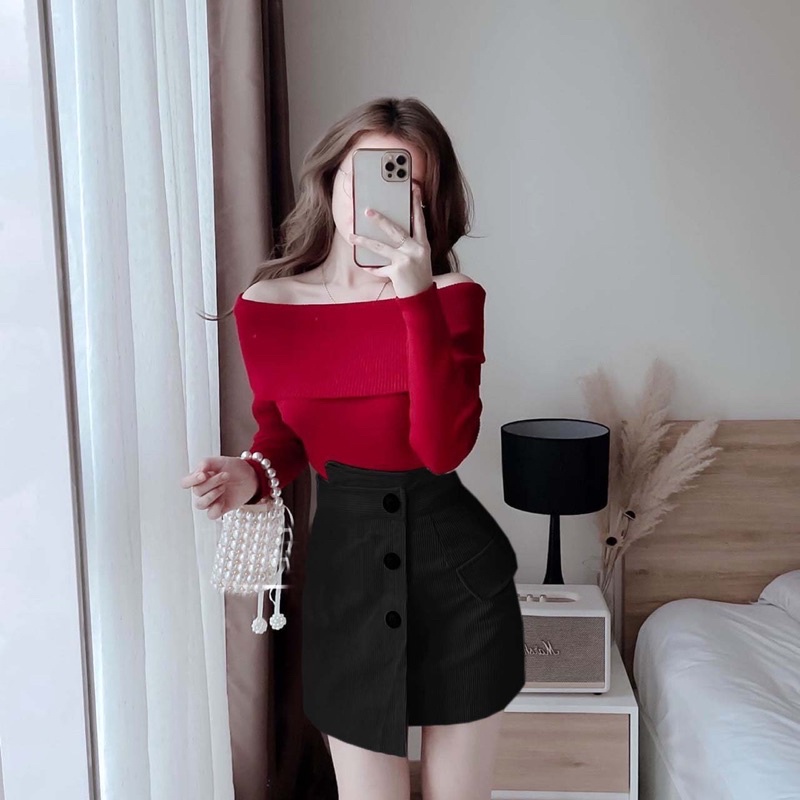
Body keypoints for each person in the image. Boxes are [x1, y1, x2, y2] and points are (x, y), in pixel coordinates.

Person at [181, 97, 525, 800]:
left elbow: (442, 450)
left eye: (406, 183)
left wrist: (415, 299)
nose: (375, 199)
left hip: (458, 579)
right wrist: (248, 476)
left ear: (428, 203)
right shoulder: (268, 306)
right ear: (330, 180)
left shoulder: (453, 297)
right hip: (347, 579)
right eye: (361, 175)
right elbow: (279, 435)